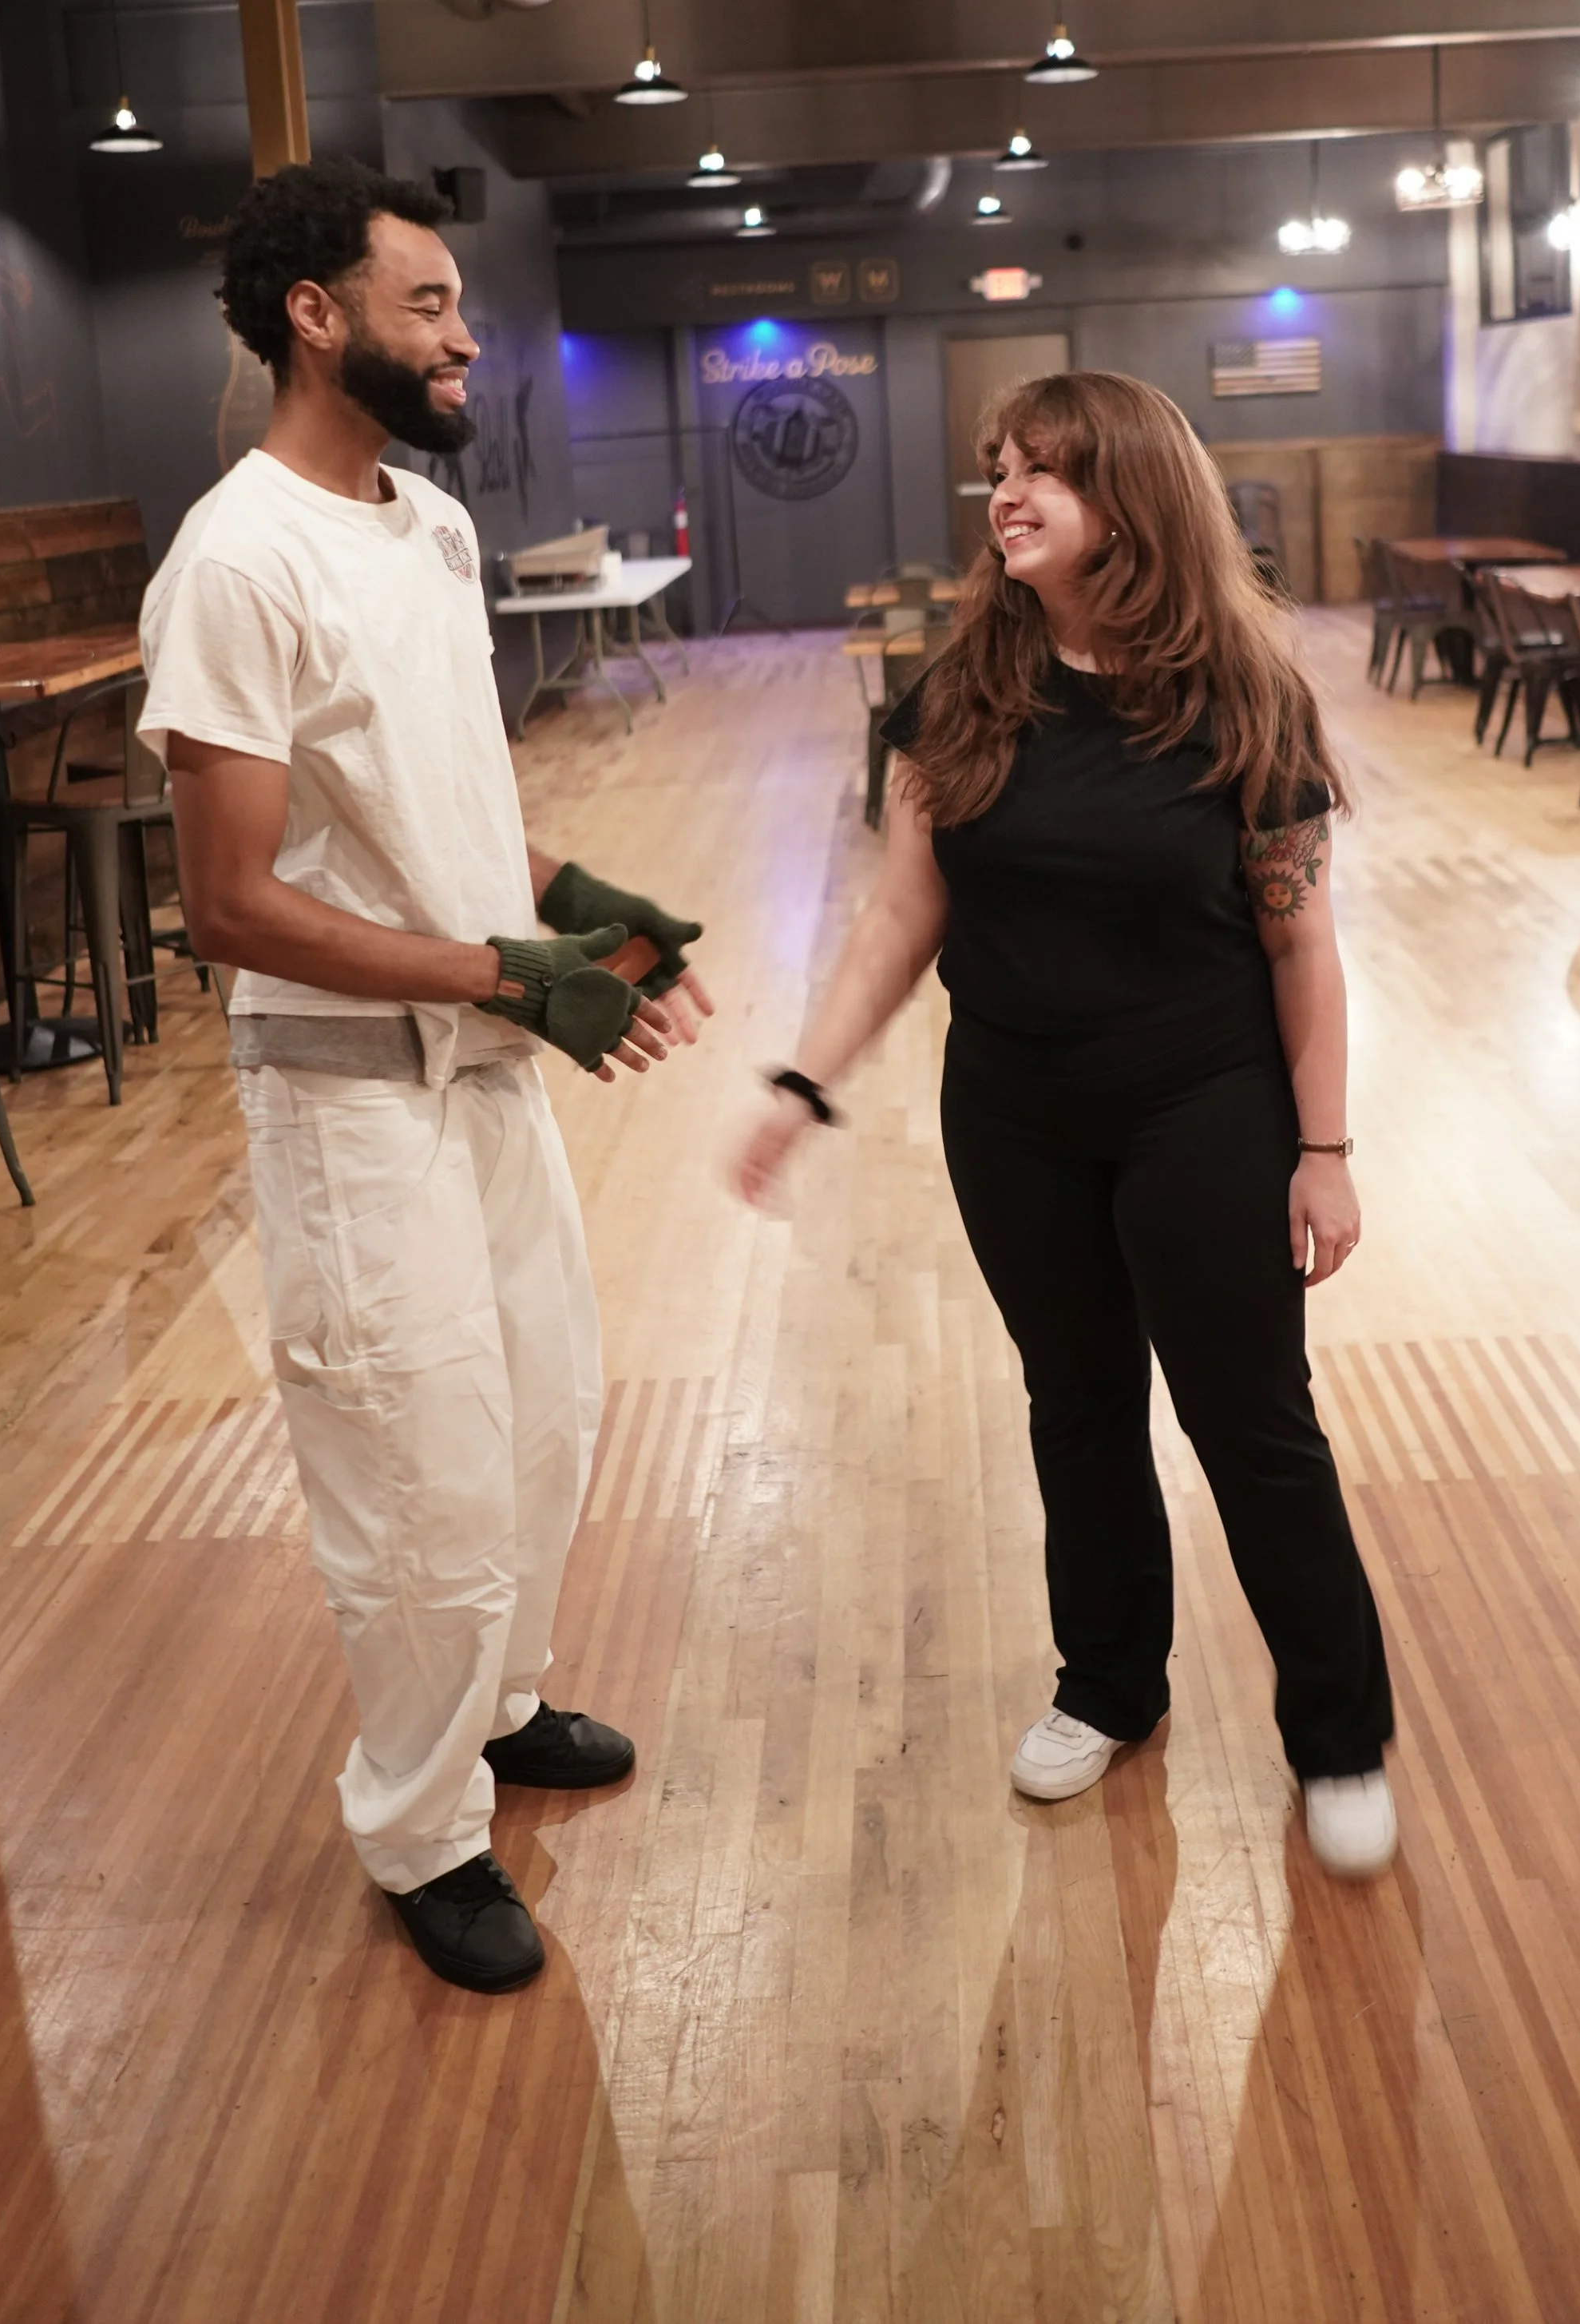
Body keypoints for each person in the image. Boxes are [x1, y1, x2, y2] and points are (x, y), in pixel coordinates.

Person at [139, 157, 714, 1993]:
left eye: (462, 307)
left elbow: (435, 807)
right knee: (416, 1471)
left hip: (477, 1057)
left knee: (546, 1407)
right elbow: (230, 904)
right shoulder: (236, 560)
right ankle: (417, 1828)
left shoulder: (430, 529)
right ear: (316, 317)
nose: (469, 339)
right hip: (345, 1094)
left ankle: (501, 1702)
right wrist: (506, 973)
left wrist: (568, 902)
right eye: (430, 306)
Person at [734, 371, 1396, 1878]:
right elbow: (903, 911)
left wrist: (1326, 1148)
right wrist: (804, 1077)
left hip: (1205, 1105)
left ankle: (1339, 1733)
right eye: (998, 471)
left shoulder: (1244, 696)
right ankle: (1109, 1682)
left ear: (1134, 498)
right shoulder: (961, 686)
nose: (1006, 496)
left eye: (1044, 472)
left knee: (1251, 1421)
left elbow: (1301, 943)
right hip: (1016, 1110)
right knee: (1076, 1400)